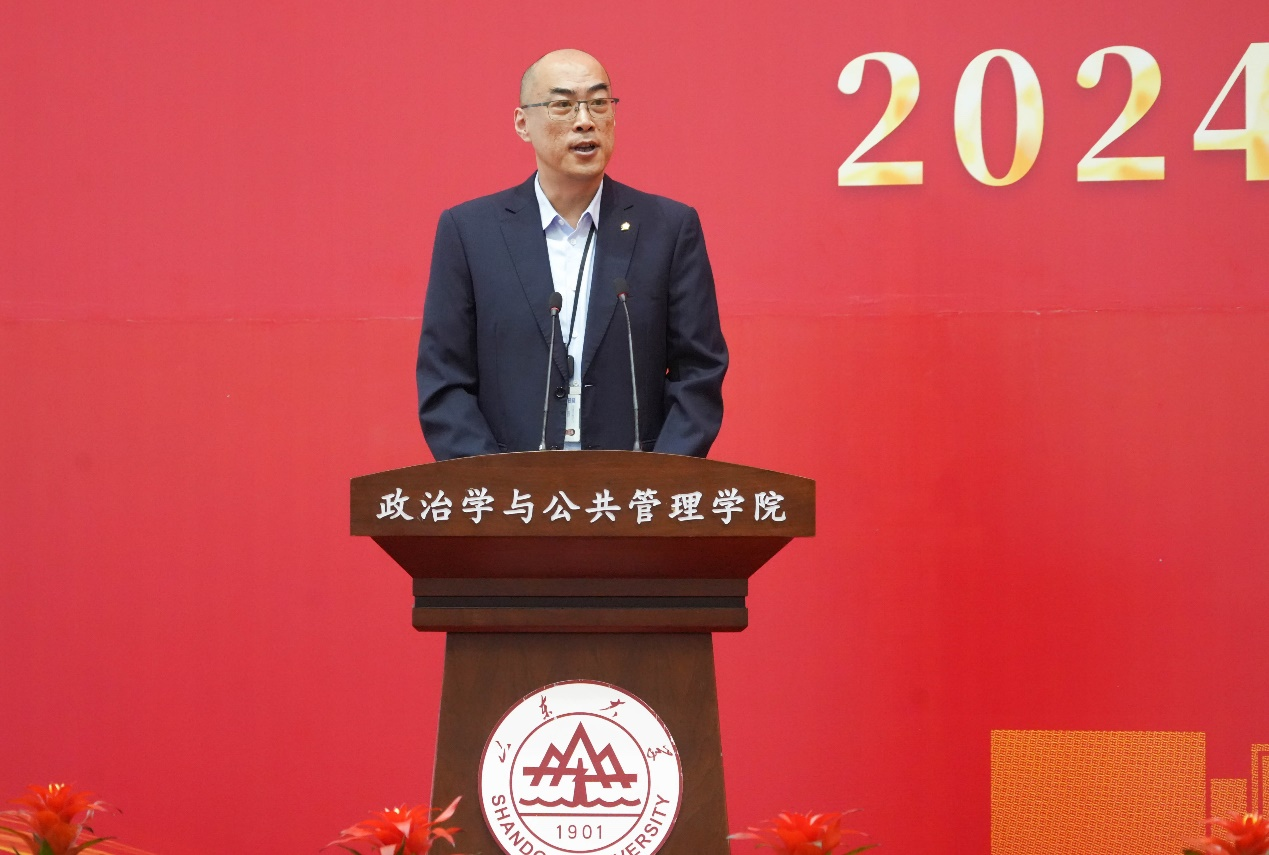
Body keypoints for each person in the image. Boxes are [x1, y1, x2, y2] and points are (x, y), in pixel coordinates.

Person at [416, 49, 727, 460]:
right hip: (511, 488)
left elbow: (698, 372)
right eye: (563, 105)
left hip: (634, 485)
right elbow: (445, 379)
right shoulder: (469, 232)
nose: (585, 120)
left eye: (599, 103)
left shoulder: (668, 228)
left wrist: (660, 480)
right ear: (523, 123)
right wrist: (493, 484)